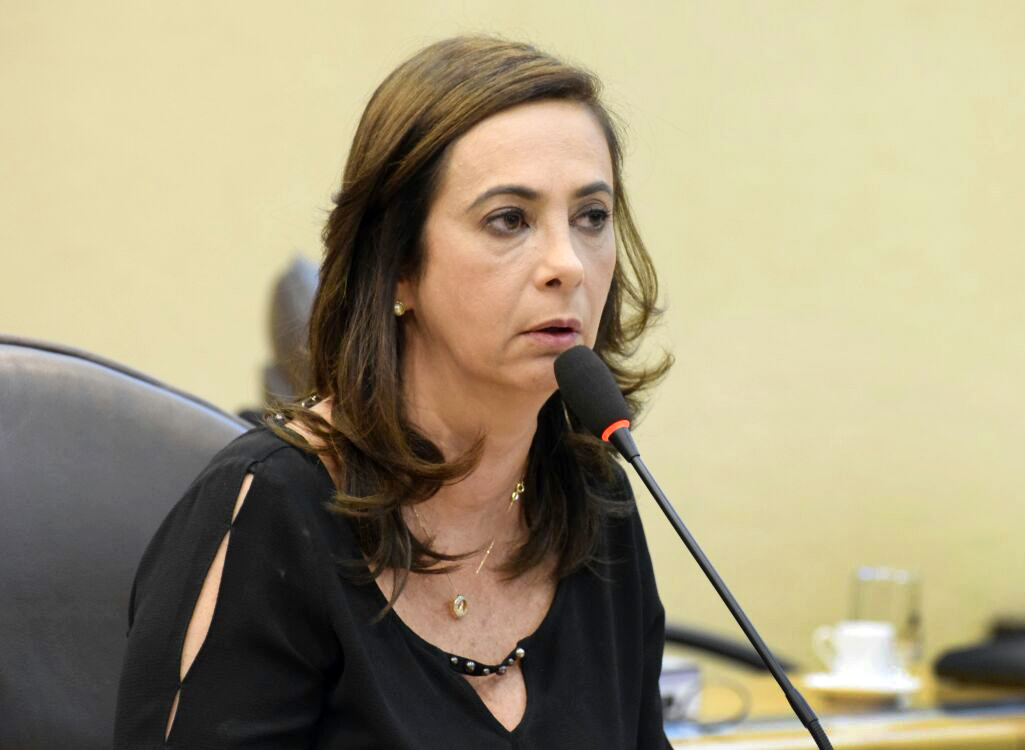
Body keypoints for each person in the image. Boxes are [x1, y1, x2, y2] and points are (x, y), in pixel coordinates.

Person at [114, 35, 672, 749]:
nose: (568, 264)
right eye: (510, 219)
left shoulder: (595, 502)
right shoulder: (272, 512)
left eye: (591, 217)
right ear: (398, 264)